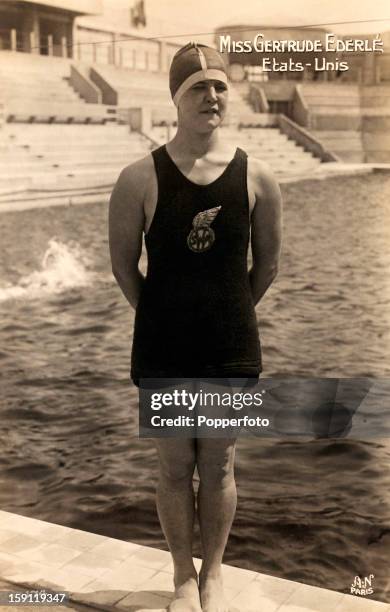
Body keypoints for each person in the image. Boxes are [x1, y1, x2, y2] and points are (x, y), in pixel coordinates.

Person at [109, 42, 282, 612]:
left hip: (230, 345)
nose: (211, 97)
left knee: (220, 462)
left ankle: (214, 574)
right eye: (197, 88)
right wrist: (162, 317)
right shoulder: (139, 178)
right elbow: (122, 267)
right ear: (175, 99)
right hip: (164, 346)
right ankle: (183, 576)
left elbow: (268, 268)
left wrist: (227, 314)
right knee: (174, 464)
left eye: (219, 86)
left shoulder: (258, 177)